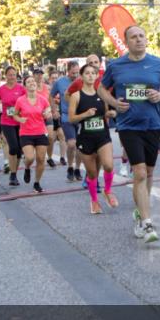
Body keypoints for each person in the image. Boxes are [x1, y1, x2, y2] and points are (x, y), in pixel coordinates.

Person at [99, 25, 160, 243]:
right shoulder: (116, 65)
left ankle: (141, 212)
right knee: (139, 172)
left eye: (142, 36)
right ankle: (147, 223)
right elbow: (101, 89)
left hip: (152, 124)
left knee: (148, 174)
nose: (139, 40)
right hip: (128, 125)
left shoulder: (158, 64)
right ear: (127, 41)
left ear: (146, 39)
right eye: (134, 37)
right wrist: (113, 103)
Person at [69, 63, 119, 213]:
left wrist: (110, 114)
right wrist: (85, 114)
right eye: (87, 73)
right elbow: (71, 119)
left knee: (109, 165)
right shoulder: (76, 96)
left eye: (93, 73)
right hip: (86, 138)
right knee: (92, 173)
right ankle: (94, 201)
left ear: (97, 76)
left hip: (102, 135)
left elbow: (105, 114)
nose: (90, 75)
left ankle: (108, 191)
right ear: (82, 76)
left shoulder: (101, 94)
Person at [12, 75, 52, 194]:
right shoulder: (20, 100)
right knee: (30, 157)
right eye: (28, 82)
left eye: (33, 81)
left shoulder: (42, 99)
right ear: (25, 86)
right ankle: (27, 167)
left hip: (40, 131)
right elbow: (15, 114)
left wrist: (47, 113)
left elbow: (48, 109)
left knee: (41, 159)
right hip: (26, 133)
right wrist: (20, 120)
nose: (31, 83)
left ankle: (36, 183)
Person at [51, 61, 83, 183]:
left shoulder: (82, 81)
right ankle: (70, 166)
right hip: (66, 117)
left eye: (77, 72)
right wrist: (54, 110)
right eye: (73, 72)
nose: (75, 75)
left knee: (80, 146)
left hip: (81, 116)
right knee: (71, 144)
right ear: (67, 71)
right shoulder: (60, 82)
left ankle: (77, 168)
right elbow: (51, 96)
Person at [0, 66, 26, 186]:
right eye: (10, 75)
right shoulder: (1, 89)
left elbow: (26, 101)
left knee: (19, 150)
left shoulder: (21, 89)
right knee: (13, 147)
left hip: (19, 121)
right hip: (6, 121)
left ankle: (14, 173)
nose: (12, 77)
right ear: (6, 76)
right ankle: (13, 174)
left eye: (14, 74)